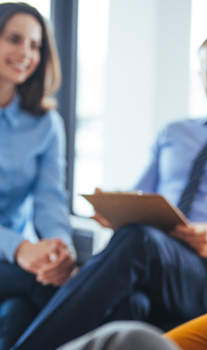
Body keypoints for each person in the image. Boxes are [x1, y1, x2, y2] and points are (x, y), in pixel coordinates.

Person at [11, 33, 207, 350]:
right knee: (131, 305)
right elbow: (142, 195)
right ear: (201, 77)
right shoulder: (174, 132)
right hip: (157, 258)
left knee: (139, 241)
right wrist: (114, 206)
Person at [0, 3, 74, 350]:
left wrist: (60, 250)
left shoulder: (46, 124)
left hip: (16, 261)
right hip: (15, 256)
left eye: (35, 45)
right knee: (38, 286)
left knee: (17, 314)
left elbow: (50, 199)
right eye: (14, 39)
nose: (25, 54)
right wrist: (20, 249)